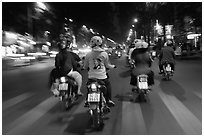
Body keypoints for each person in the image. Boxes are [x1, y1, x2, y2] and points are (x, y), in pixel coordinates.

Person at [84, 36, 116, 107]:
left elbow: (85, 66)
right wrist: (113, 66)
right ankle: (108, 100)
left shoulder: (88, 54)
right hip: (102, 77)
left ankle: (87, 100)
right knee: (108, 84)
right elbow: (107, 65)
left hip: (91, 77)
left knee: (88, 87)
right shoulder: (104, 54)